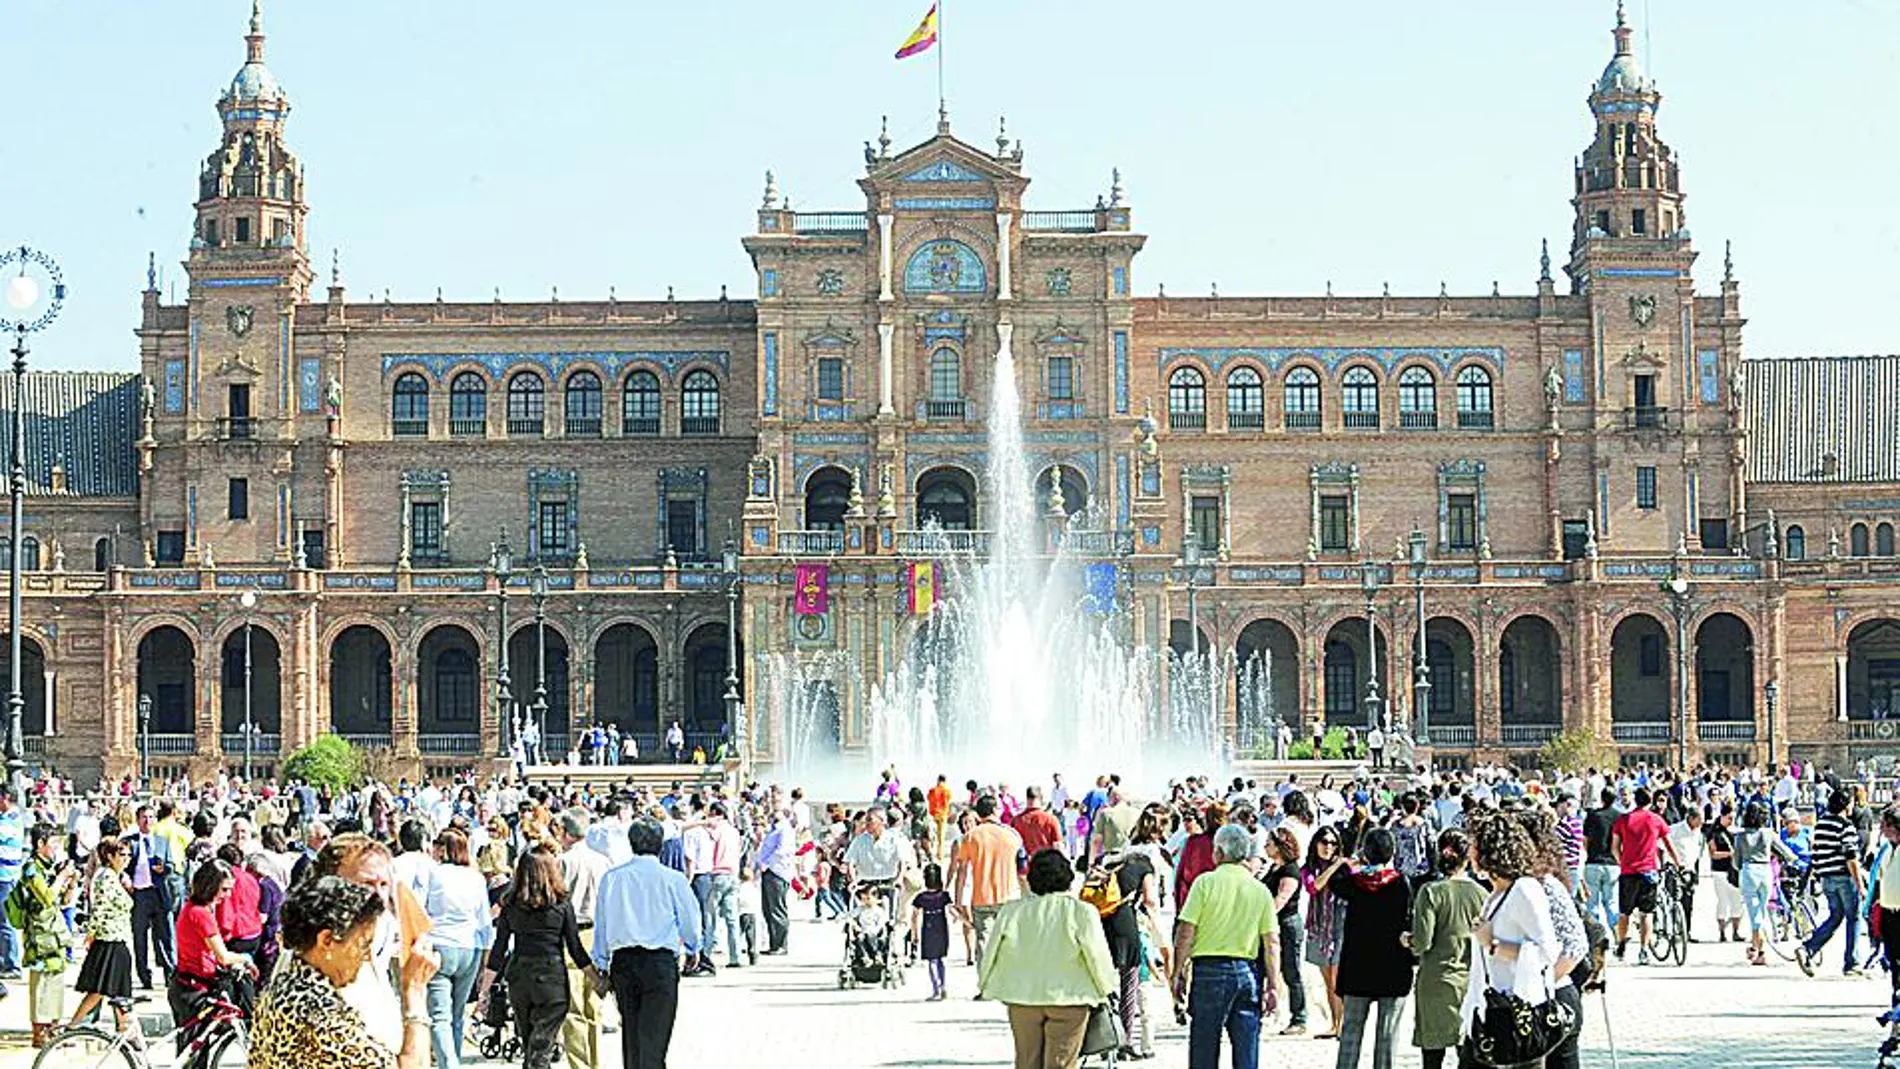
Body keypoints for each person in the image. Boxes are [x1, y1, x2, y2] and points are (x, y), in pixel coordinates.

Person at [248, 876, 439, 1069]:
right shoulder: (319, 1015)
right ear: (327, 940)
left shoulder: (281, 986)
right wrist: (414, 993)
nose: (366, 958)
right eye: (363, 945)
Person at [979, 848, 1118, 1069]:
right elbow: (1096, 955)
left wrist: (984, 984)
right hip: (1070, 998)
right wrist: (1106, 988)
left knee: (1026, 1062)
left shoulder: (1011, 911)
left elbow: (990, 952)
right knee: (1061, 1063)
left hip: (1022, 997)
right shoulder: (1082, 911)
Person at [591, 818, 701, 1069]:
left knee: (632, 1035)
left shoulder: (613, 878)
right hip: (659, 962)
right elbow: (690, 920)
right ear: (660, 845)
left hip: (624, 962)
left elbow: (603, 923)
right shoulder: (673, 879)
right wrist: (694, 947)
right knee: (655, 1037)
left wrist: (601, 960)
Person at [1171, 824, 1280, 1069]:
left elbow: (1186, 932)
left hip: (1209, 970)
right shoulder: (1260, 890)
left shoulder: (1205, 883)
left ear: (1219, 852)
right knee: (1247, 1050)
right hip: (1247, 971)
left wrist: (1178, 971)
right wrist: (1272, 984)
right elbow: (1272, 942)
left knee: (1204, 1050)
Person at [483, 846, 598, 1069]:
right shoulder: (562, 905)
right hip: (551, 977)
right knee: (541, 1047)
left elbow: (499, 949)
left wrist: (485, 990)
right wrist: (597, 980)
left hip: (519, 976)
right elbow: (576, 950)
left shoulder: (510, 904)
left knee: (530, 1043)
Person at [1315, 827, 1413, 1069]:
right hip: (1392, 966)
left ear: (1366, 853)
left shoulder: (1353, 883)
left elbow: (1334, 882)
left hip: (1358, 966)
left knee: (1351, 1033)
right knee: (1387, 1035)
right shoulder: (1401, 883)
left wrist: (1348, 861)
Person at [1407, 829, 1483, 1069]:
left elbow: (1422, 942)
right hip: (1470, 981)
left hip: (1435, 979)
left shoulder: (1430, 892)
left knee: (1432, 1056)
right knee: (1468, 1053)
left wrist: (1406, 939)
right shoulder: (1482, 894)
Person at [170, 860, 258, 1057]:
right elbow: (223, 956)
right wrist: (245, 959)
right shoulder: (201, 914)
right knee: (194, 1056)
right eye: (224, 890)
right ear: (211, 885)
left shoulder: (192, 907)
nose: (227, 896)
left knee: (192, 1052)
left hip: (185, 984)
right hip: (194, 989)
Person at [424, 828, 492, 1069]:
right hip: (469, 945)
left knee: (439, 1015)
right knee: (457, 1012)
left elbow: (421, 910)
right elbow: (484, 919)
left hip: (440, 941)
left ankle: (448, 1063)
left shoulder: (433, 873)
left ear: (443, 848)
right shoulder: (476, 877)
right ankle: (454, 1059)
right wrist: (486, 956)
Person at [12, 823, 77, 1046]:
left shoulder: (51, 868)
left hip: (55, 932)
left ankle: (54, 1027)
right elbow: (46, 896)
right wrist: (62, 877)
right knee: (40, 984)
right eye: (53, 843)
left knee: (57, 981)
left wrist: (71, 883)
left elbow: (63, 901)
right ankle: (39, 1032)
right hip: (39, 935)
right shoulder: (31, 869)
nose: (57, 848)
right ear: (40, 844)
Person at [1797, 788, 1864, 977]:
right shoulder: (1845, 826)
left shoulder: (1821, 824)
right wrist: (1860, 885)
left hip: (1827, 878)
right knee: (1854, 917)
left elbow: (1816, 853)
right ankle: (1852, 962)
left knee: (1835, 916)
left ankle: (1809, 948)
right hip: (1843, 877)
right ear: (1845, 805)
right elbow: (1851, 858)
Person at [70, 836, 135, 1035]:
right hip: (110, 938)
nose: (126, 859)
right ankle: (74, 1025)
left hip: (117, 937)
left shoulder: (112, 876)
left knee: (117, 990)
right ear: (110, 856)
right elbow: (99, 909)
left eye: (128, 855)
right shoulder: (106, 877)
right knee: (101, 989)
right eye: (121, 855)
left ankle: (124, 1030)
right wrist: (91, 933)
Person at [1610, 787, 1679, 965]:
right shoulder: (1656, 820)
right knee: (1646, 913)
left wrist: (1621, 861)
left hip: (1628, 872)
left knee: (1624, 912)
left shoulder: (1623, 820)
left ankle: (1621, 944)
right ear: (1651, 802)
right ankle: (1643, 950)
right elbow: (1669, 845)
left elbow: (1615, 847)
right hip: (1648, 871)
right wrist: (1679, 863)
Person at [954, 794, 1024, 966]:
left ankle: (985, 986)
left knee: (984, 942)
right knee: (1008, 943)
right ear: (995, 811)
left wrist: (958, 899)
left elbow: (961, 870)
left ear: (978, 814)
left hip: (981, 897)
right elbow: (1022, 868)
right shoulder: (1012, 835)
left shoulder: (971, 836)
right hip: (1009, 897)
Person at [124, 804, 177, 990]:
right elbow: (121, 867)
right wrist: (126, 880)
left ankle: (170, 974)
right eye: (144, 817)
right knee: (140, 937)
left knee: (166, 935)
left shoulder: (162, 842)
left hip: (159, 893)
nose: (148, 821)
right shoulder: (129, 842)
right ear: (137, 820)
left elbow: (172, 865)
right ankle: (144, 975)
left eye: (151, 817)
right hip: (139, 895)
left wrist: (165, 869)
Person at [1303, 825, 1348, 1038]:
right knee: (1328, 981)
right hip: (1319, 929)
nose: (1328, 847)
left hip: (1340, 927)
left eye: (1332, 843)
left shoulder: (1345, 868)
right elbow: (1314, 887)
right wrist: (1334, 867)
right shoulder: (1309, 868)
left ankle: (1342, 1025)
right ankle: (1335, 1022)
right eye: (1324, 842)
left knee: (1338, 980)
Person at [1263, 828, 1307, 1036]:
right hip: (1273, 924)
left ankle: (1299, 1017)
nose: (1265, 846)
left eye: (1269, 843)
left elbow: (1281, 898)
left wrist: (1263, 916)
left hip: (1287, 924)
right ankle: (1269, 1010)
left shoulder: (1290, 870)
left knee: (1291, 972)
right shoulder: (1273, 868)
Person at [754, 806, 796, 956]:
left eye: (777, 808)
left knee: (777, 909)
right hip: (768, 871)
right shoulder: (773, 829)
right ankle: (773, 943)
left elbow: (782, 850)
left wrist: (766, 863)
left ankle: (781, 944)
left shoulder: (785, 829)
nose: (773, 811)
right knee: (768, 909)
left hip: (777, 871)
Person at [1579, 788, 1619, 938]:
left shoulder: (1593, 816)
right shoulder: (1619, 817)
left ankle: (1596, 937)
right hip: (1612, 863)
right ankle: (1617, 930)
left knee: (1592, 903)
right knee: (1611, 902)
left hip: (1594, 862)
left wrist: (1589, 853)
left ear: (1601, 798)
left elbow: (1585, 840)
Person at [911, 862, 952, 1001]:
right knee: (940, 959)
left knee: (932, 960)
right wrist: (967, 922)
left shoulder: (921, 897)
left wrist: (914, 934)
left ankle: (936, 989)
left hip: (928, 927)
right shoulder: (944, 896)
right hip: (941, 927)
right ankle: (943, 986)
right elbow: (953, 911)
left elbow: (914, 917)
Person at [1705, 804, 1744, 943]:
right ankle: (1722, 932)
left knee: (1736, 903)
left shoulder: (1733, 832)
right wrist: (1730, 854)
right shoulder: (1714, 833)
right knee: (1723, 901)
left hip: (1733, 871)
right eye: (1729, 818)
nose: (1731, 821)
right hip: (1719, 871)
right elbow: (1713, 854)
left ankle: (1736, 931)